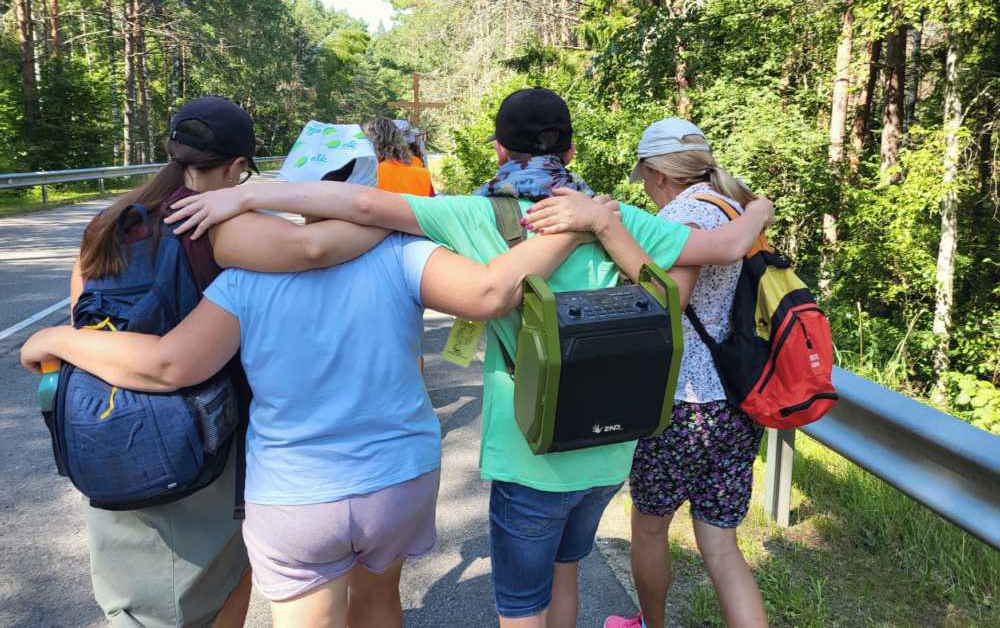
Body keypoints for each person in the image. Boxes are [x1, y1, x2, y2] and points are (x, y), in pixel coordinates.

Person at [160, 87, 775, 628]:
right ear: (571, 154)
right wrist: (760, 207)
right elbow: (728, 245)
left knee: (520, 603)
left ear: (500, 151)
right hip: (611, 448)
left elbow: (370, 208)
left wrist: (244, 198)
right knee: (566, 578)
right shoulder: (619, 217)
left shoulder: (474, 215)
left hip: (529, 448)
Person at [24, 203, 604, 627]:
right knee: (378, 600)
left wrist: (58, 339)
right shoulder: (404, 253)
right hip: (399, 479)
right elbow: (488, 292)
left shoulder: (244, 279)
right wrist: (578, 227)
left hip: (295, 495)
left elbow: (170, 366)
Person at [66, 97, 396, 628]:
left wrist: (51, 342)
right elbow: (311, 248)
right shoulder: (208, 223)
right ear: (237, 167)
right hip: (195, 433)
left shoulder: (107, 223)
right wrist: (406, 218)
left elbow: (83, 318)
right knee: (218, 579)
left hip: (104, 429)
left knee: (139, 598)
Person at [532, 119, 770, 628]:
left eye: (644, 178)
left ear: (658, 175)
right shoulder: (733, 208)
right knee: (722, 549)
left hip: (681, 406)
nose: (645, 189)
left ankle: (651, 625)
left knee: (649, 530)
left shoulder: (683, 215)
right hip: (735, 403)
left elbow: (668, 302)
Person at [366, 117, 434, 196]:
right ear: (402, 141)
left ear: (370, 144)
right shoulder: (423, 174)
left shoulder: (367, 176)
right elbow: (432, 205)